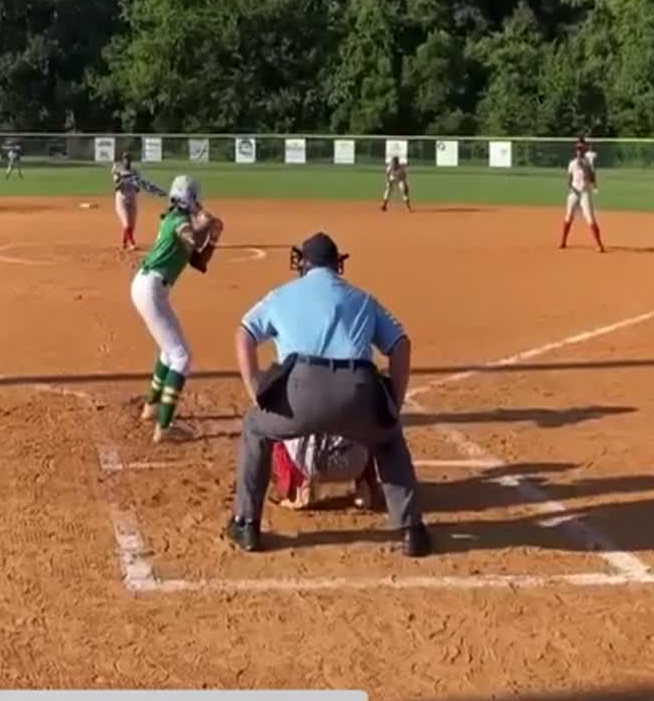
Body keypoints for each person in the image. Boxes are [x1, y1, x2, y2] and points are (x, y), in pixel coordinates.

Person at [225, 232, 432, 557]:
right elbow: (400, 343)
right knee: (389, 438)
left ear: (302, 264)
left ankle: (246, 523)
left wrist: (255, 390)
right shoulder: (362, 298)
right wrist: (395, 400)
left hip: (299, 392)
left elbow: (244, 333)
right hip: (357, 390)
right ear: (338, 265)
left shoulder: (280, 295)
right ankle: (412, 530)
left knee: (255, 426)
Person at [131, 175, 223, 443]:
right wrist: (204, 224)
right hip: (150, 288)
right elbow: (191, 238)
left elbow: (199, 261)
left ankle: (151, 408)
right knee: (181, 357)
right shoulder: (179, 222)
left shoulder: (176, 219)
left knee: (169, 352)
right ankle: (164, 426)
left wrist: (213, 237)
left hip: (149, 287)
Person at [110, 151, 165, 252]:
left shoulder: (135, 171)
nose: (127, 161)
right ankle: (132, 243)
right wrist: (122, 180)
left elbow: (138, 189)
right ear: (122, 160)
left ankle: (124, 243)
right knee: (126, 223)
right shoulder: (118, 170)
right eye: (125, 159)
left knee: (132, 225)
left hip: (132, 199)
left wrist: (135, 183)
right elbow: (116, 187)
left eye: (129, 159)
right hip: (121, 199)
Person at [559, 137, 604, 252]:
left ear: (584, 149)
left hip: (584, 193)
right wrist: (571, 189)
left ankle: (599, 244)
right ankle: (563, 241)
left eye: (581, 148)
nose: (579, 150)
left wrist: (594, 186)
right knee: (568, 217)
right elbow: (570, 179)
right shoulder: (572, 163)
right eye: (577, 148)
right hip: (574, 192)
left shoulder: (587, 163)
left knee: (590, 218)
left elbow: (592, 176)